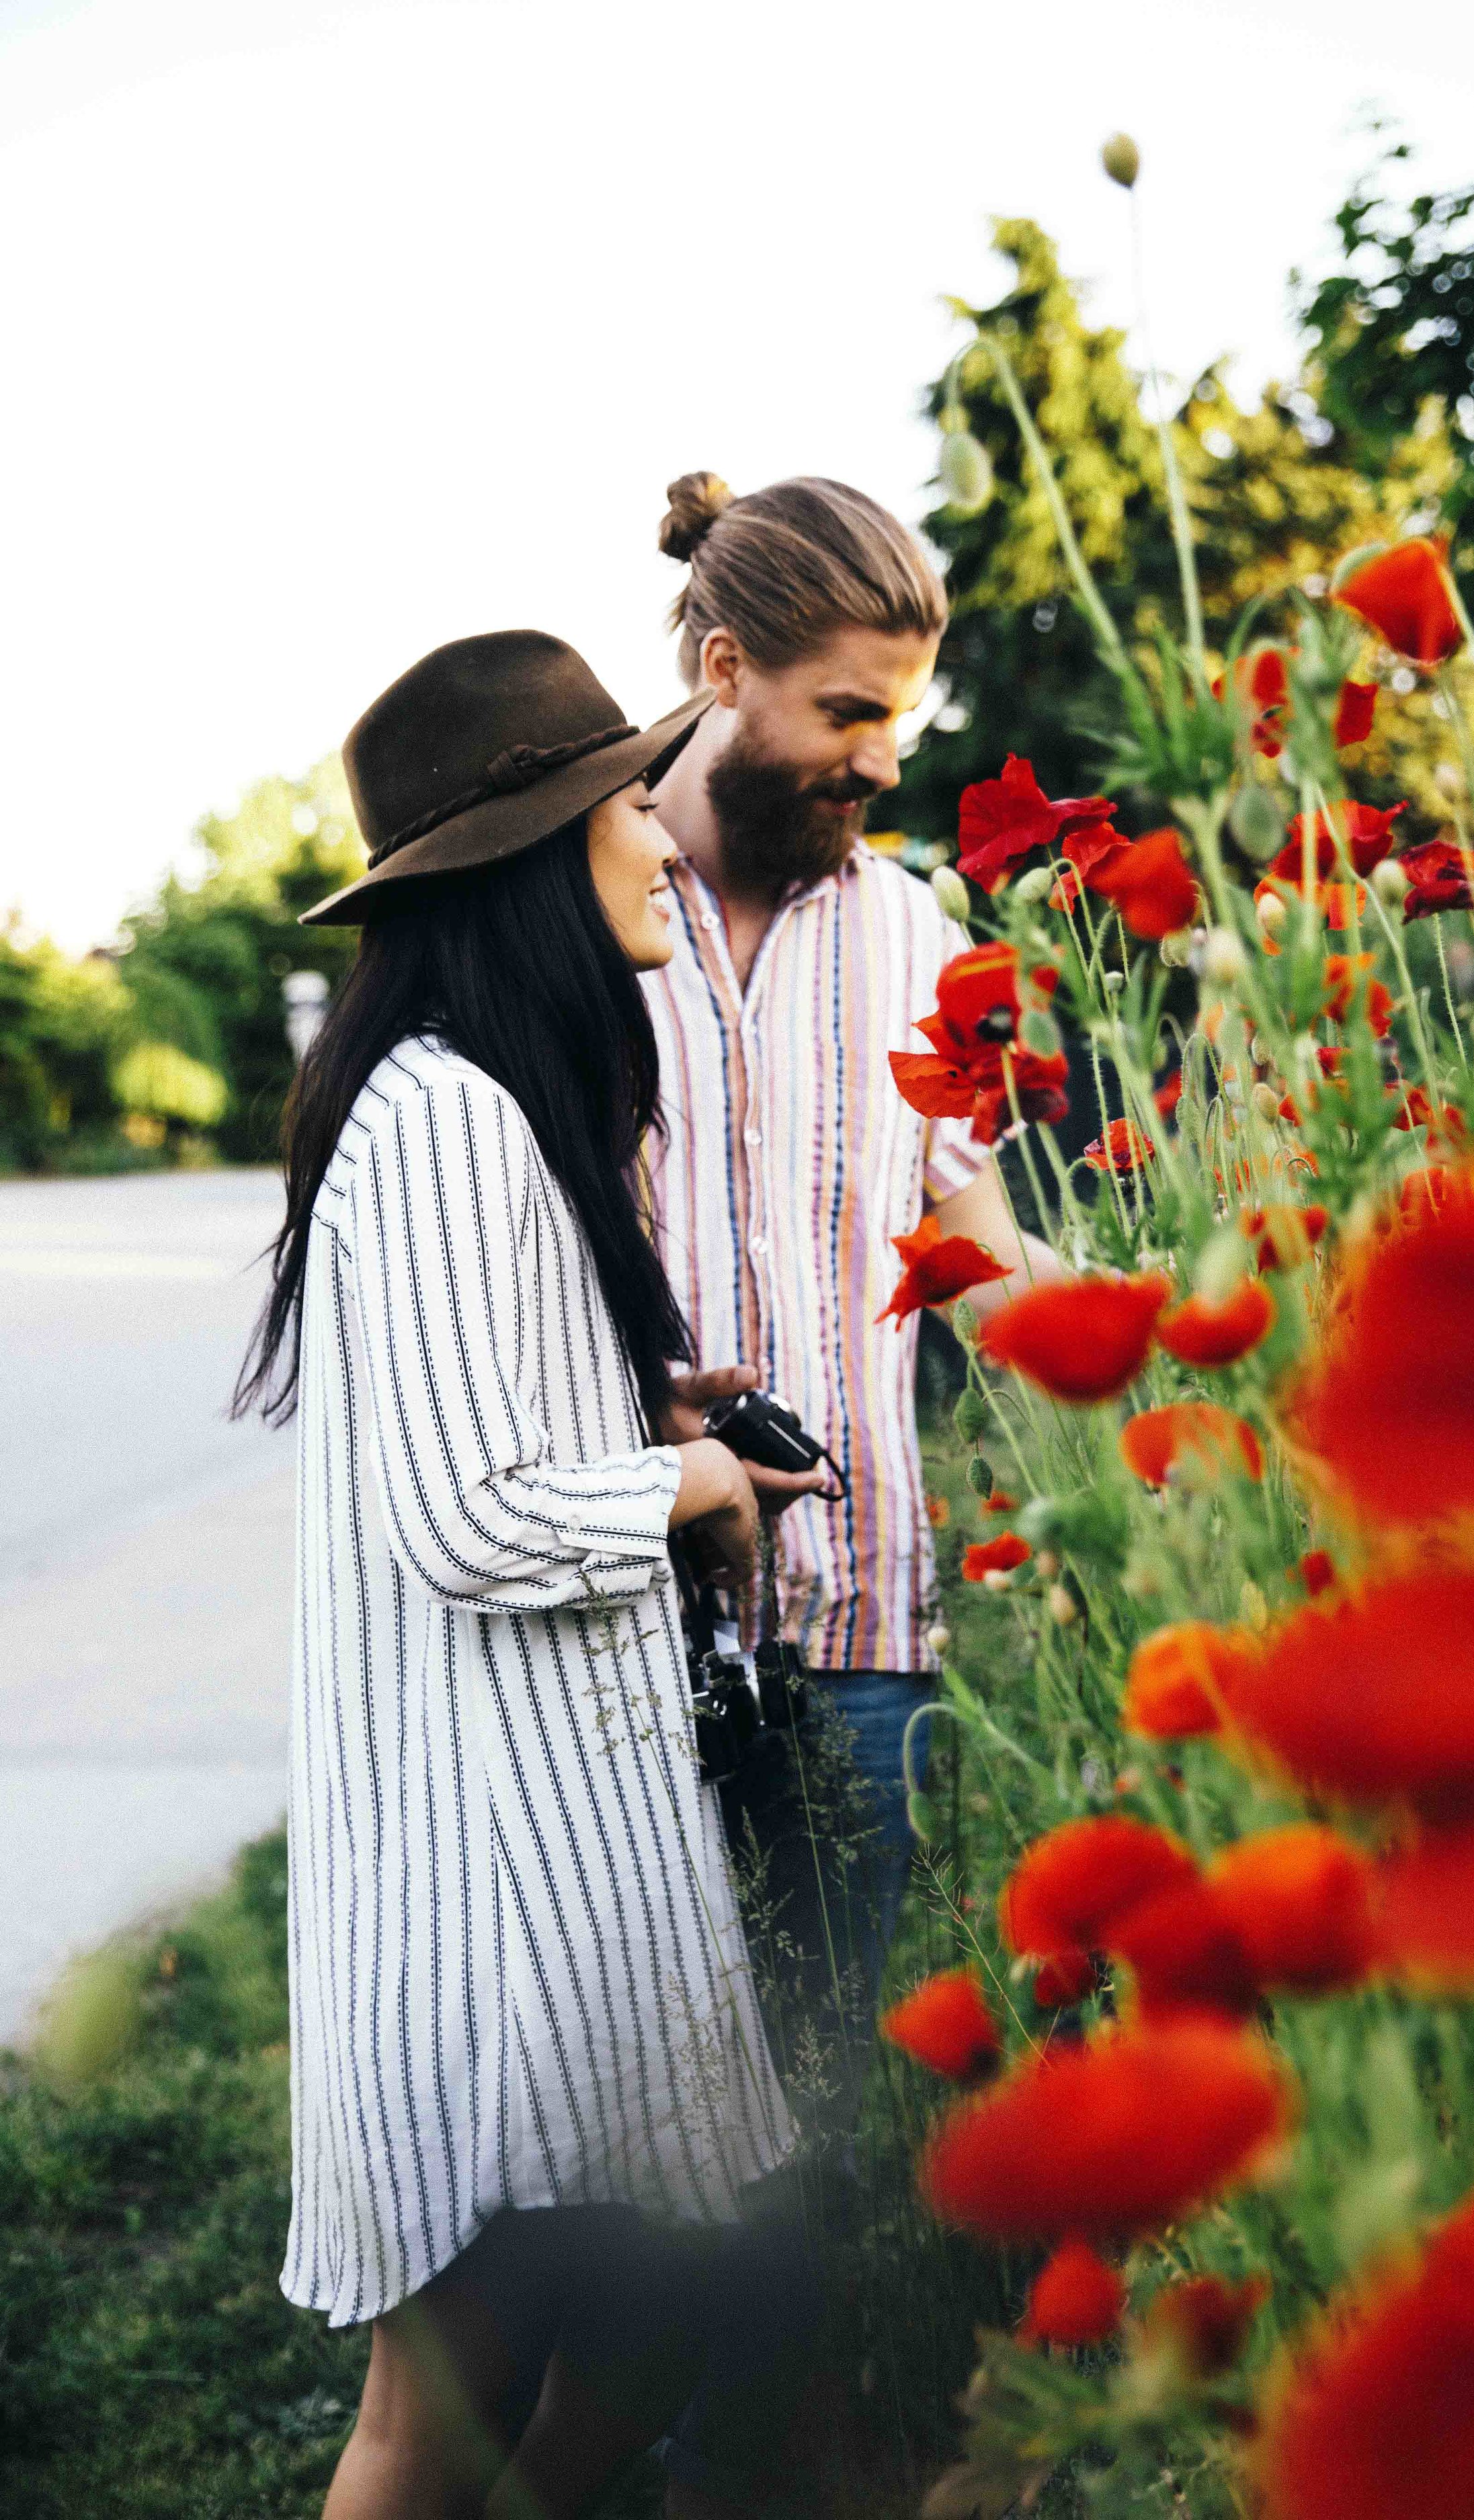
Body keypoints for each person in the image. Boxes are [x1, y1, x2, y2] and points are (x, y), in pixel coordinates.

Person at [238, 628, 829, 2520]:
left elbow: (484, 1421)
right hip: (486, 1910)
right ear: (529, 855)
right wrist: (688, 1489)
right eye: (623, 805)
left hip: (569, 1877)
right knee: (439, 2415)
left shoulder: (490, 1099)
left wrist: (644, 1405)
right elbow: (462, 1511)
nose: (663, 836)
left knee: (645, 2332)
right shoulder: (432, 1119)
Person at [644, 473, 1058, 2128]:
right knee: (640, 2125)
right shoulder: (571, 922)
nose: (888, 759)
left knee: (810, 2104)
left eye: (903, 715)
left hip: (861, 1621)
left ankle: (775, 2396)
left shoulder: (909, 929)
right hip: (626, 1622)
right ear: (723, 667)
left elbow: (979, 1241)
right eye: (848, 712)